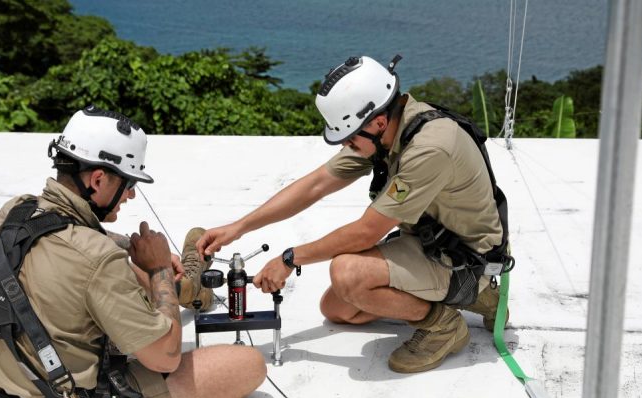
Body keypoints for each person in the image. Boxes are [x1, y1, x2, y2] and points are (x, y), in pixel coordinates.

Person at [0, 106, 266, 398]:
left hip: (1, 396)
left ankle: (188, 288)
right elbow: (166, 358)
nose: (131, 194)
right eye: (129, 183)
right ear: (99, 179)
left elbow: (68, 236)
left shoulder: (14, 211)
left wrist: (131, 252)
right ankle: (191, 292)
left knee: (120, 277)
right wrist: (161, 269)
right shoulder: (98, 258)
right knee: (247, 364)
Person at [195, 55, 511, 374]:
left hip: (468, 258)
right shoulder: (387, 129)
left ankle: (445, 323)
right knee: (337, 309)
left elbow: (366, 232)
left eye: (349, 137)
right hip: (431, 242)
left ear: (377, 122)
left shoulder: (428, 148)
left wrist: (290, 258)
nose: (347, 144)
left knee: (348, 275)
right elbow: (316, 185)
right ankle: (474, 298)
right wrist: (239, 227)